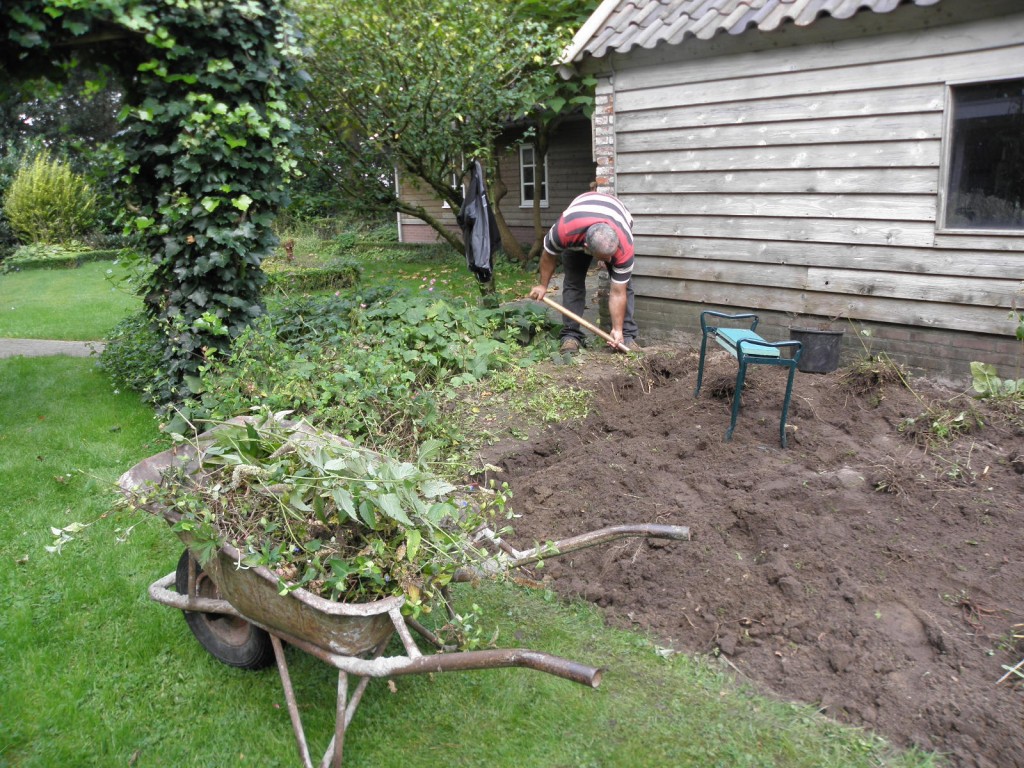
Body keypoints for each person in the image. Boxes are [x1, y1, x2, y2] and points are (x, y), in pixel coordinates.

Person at [528, 191, 639, 353]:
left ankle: (626, 336)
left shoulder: (624, 246)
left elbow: (618, 292)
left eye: (611, 256)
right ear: (586, 248)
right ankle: (571, 336)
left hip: (616, 216)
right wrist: (543, 286)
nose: (609, 261)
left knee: (624, 285)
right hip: (578, 227)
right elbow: (548, 255)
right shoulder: (564, 231)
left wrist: (617, 329)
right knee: (573, 283)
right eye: (604, 258)